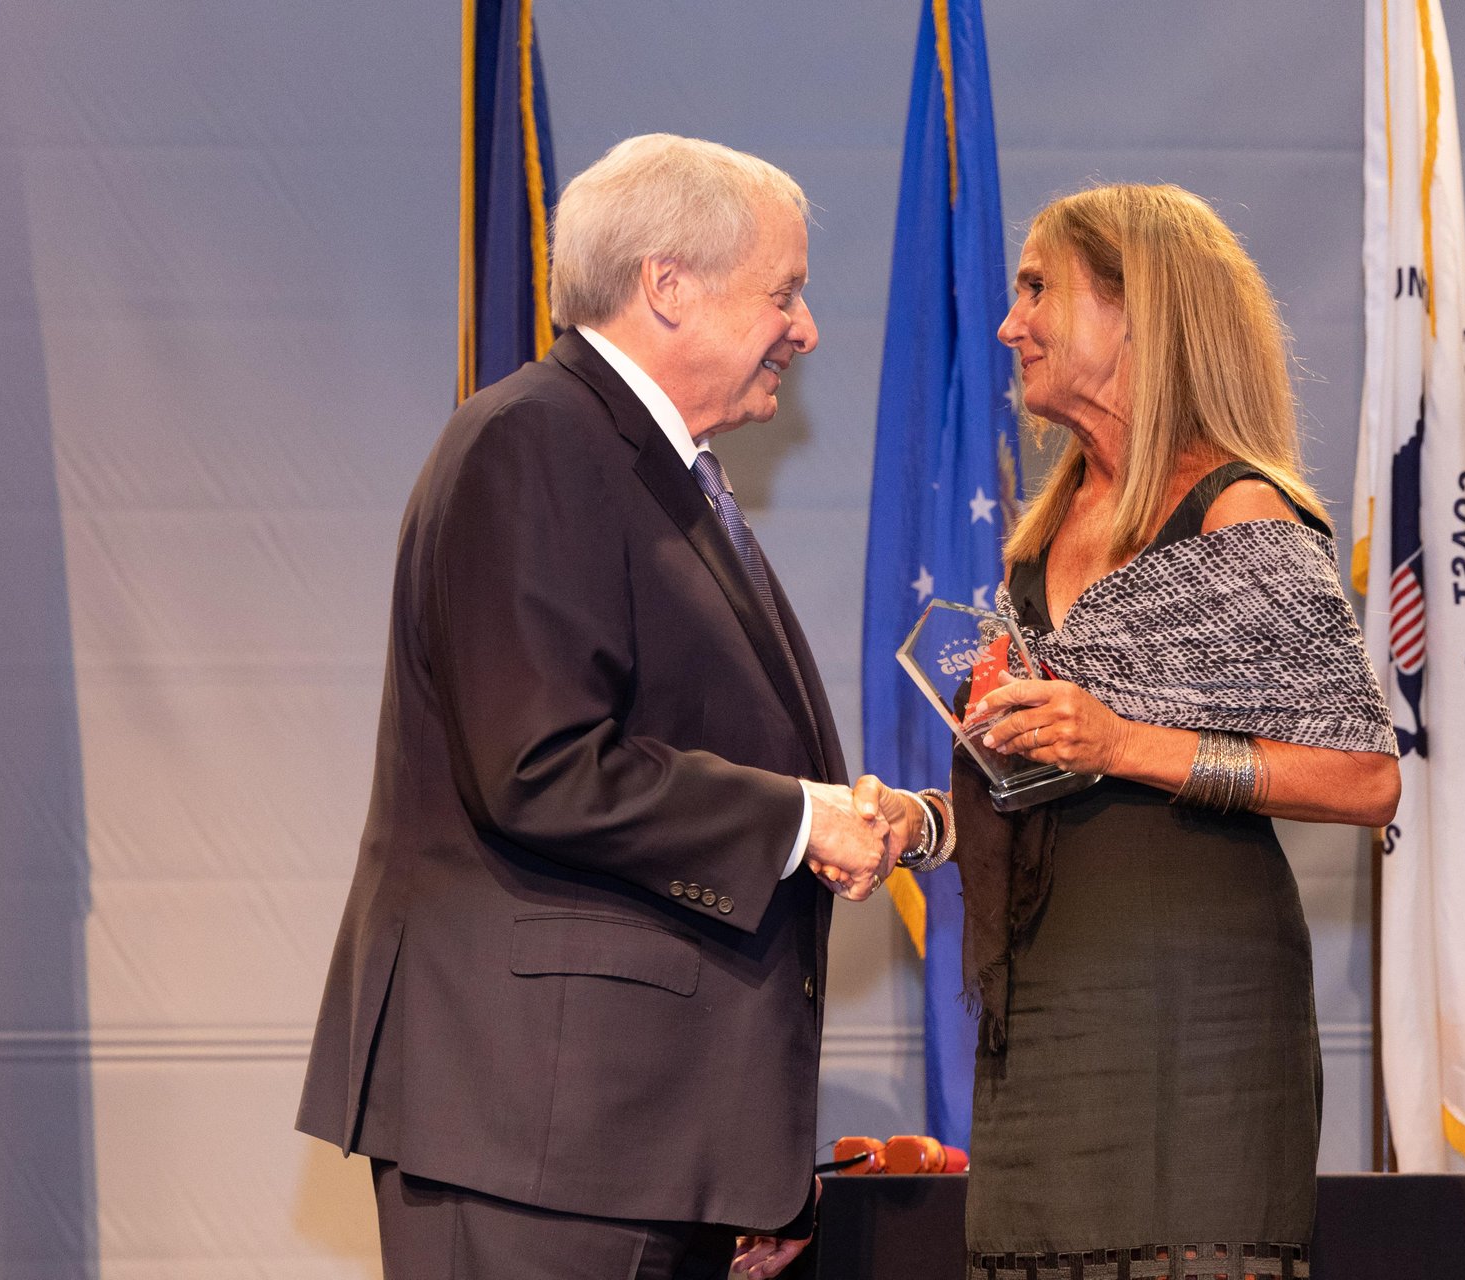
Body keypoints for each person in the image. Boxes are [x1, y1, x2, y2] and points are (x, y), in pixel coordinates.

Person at [295, 134, 897, 1280]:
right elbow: (542, 766)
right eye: (784, 291)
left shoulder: (661, 474)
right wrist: (797, 819)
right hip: (536, 1129)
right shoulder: (533, 442)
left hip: (630, 1140)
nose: (807, 328)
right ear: (667, 286)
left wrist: (743, 1161)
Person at [870, 184, 1400, 1280]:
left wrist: (1123, 740)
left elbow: (1361, 776)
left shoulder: (1240, 512)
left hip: (1200, 1016)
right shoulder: (1040, 535)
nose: (1011, 324)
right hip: (1046, 1003)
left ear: (1135, 314)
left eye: (1035, 291)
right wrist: (917, 827)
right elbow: (1031, 786)